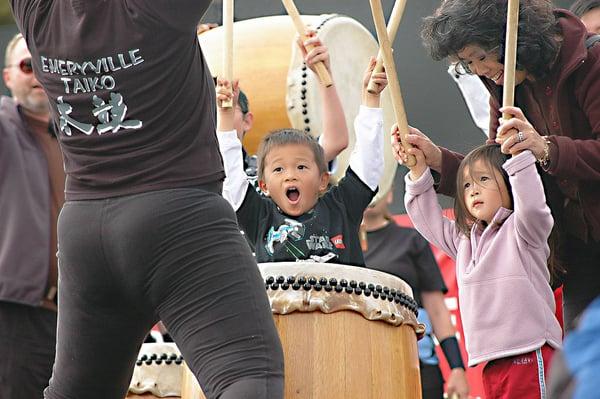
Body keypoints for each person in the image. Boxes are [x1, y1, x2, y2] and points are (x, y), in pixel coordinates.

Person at [10, 2, 284, 399]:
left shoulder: (39, 12)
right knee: (247, 375)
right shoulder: (155, 9)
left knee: (77, 391)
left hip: (85, 231)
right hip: (179, 219)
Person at [397, 0, 600, 332]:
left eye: (480, 56)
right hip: (579, 249)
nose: (478, 69)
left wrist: (545, 148)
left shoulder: (590, 60)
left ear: (514, 38)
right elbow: (499, 178)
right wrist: (436, 161)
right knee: (585, 369)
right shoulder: (504, 90)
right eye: (467, 62)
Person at [400, 141, 562, 399]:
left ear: (509, 181)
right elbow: (427, 220)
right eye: (466, 185)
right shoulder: (465, 242)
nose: (473, 190)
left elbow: (532, 205)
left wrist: (519, 157)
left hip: (530, 353)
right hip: (490, 362)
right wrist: (419, 171)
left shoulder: (524, 229)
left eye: (483, 179)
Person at [216, 58, 386, 266]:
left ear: (323, 180)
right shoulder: (259, 216)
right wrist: (224, 117)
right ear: (263, 186)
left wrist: (371, 99)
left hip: (340, 300)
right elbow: (232, 178)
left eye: (301, 166)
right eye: (278, 169)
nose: (290, 175)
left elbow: (367, 166)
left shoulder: (341, 207)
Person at [361, 192, 470, 399]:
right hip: (364, 365)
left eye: (378, 187)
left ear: (390, 195)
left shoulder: (411, 239)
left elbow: (436, 309)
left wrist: (457, 367)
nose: (372, 195)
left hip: (417, 361)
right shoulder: (342, 245)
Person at [0, 33, 61, 399]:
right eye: (27, 65)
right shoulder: (5, 128)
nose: (37, 73)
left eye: (45, 63)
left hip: (73, 316)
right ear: (8, 77)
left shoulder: (76, 138)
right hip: (16, 312)